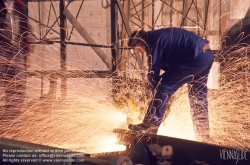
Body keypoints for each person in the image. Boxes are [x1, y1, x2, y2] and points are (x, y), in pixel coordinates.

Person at [127, 27, 214, 141]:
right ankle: (203, 135)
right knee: (197, 97)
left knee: (163, 87)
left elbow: (153, 72)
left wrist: (149, 92)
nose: (138, 52)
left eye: (136, 49)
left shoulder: (152, 41)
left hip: (194, 57)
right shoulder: (158, 36)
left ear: (141, 41)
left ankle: (150, 125)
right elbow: (169, 68)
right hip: (206, 56)